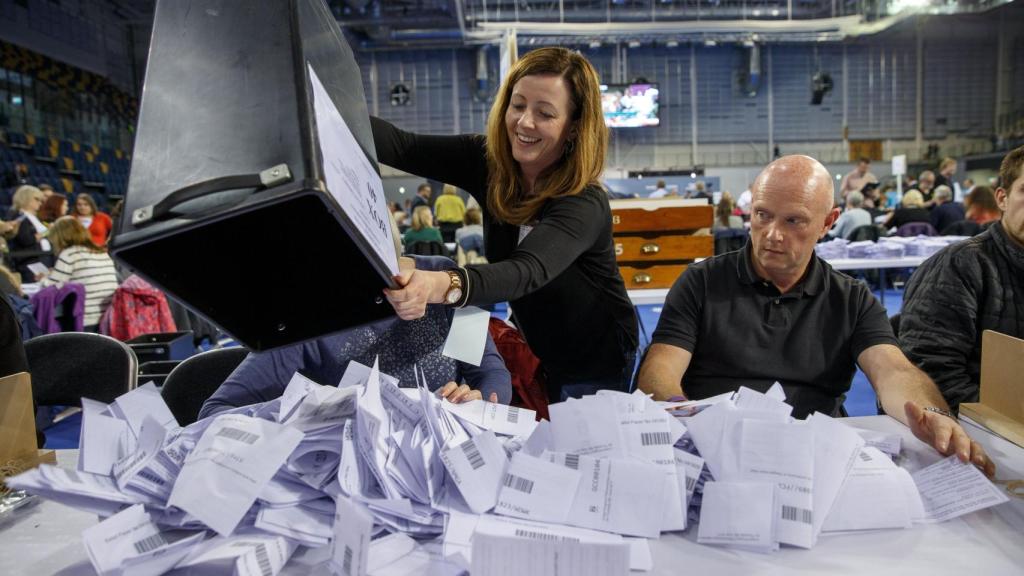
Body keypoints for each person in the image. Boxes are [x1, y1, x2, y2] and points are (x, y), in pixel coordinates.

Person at [636, 155, 993, 475]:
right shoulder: (701, 282)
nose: (772, 235)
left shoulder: (852, 299)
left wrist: (934, 415)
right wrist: (683, 416)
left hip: (815, 461)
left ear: (828, 222)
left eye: (794, 221)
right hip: (715, 453)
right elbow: (661, 368)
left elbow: (894, 370)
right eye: (762, 215)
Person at [370, 47, 638, 399]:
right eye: (518, 105)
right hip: (538, 343)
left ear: (574, 128)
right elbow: (400, 146)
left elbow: (524, 271)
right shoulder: (486, 162)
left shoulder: (583, 202)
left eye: (545, 113)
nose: (524, 122)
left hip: (596, 355)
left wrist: (439, 286)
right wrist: (324, 104)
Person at [199, 255, 512, 419]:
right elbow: (218, 411)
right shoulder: (305, 316)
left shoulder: (442, 279)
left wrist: (478, 402)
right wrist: (310, 415)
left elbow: (490, 374)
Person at [900, 145, 1024, 413]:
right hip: (983, 431)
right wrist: (1003, 424)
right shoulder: (961, 266)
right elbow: (932, 376)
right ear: (1002, 199)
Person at [37, 217, 118, 331]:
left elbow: (51, 288)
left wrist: (43, 279)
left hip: (85, 320)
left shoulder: (70, 254)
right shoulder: (101, 252)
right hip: (108, 317)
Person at [7, 185, 49, 283]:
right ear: (26, 198)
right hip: (29, 262)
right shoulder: (18, 216)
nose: (40, 202)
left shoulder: (33, 217)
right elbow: (26, 239)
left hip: (42, 258)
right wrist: (45, 233)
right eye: (37, 199)